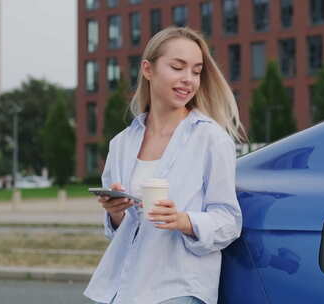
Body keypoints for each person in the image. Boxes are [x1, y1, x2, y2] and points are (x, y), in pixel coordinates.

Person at [84, 26, 245, 304]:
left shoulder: (211, 139)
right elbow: (120, 230)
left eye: (196, 71)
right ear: (148, 69)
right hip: (122, 288)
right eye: (177, 67)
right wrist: (115, 212)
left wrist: (184, 221)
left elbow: (229, 221)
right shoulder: (121, 144)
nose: (188, 80)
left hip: (178, 288)